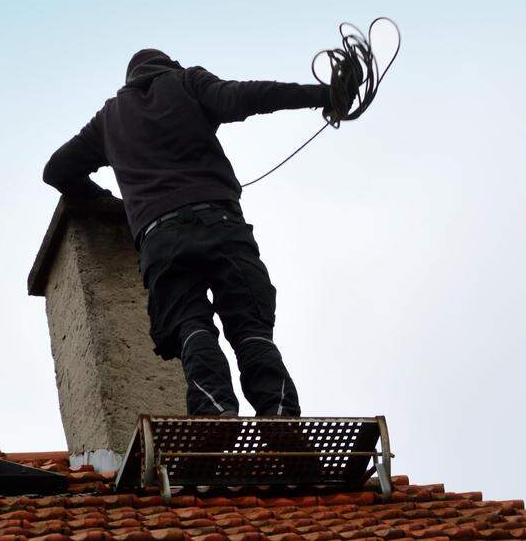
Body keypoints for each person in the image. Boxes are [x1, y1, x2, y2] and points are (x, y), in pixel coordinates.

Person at [42, 48, 351, 417]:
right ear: (170, 66)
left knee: (190, 327)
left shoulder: (109, 119)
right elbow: (247, 96)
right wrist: (324, 94)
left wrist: (117, 207)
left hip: (160, 240)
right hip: (220, 225)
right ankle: (280, 416)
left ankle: (215, 413)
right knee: (249, 327)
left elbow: (56, 171)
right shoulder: (187, 81)